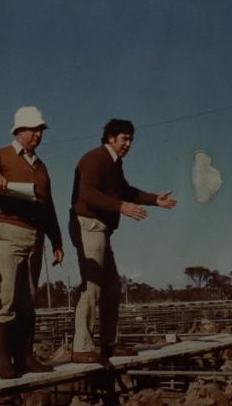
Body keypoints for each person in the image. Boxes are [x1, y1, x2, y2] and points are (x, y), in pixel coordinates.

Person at [69, 119, 177, 365]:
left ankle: (108, 344)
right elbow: (87, 193)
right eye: (124, 139)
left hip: (102, 229)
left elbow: (125, 191)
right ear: (110, 138)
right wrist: (121, 207)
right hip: (88, 225)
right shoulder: (94, 159)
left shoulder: (114, 164)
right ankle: (82, 346)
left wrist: (154, 200)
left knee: (112, 286)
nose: (128, 144)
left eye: (131, 140)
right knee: (92, 285)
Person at [0, 106, 64, 378]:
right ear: (19, 131)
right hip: (7, 230)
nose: (37, 135)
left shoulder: (41, 167)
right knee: (7, 296)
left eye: (40, 130)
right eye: (32, 130)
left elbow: (49, 207)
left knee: (28, 299)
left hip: (34, 235)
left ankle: (25, 356)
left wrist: (56, 241)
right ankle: (4, 360)